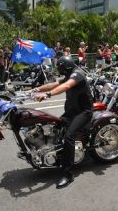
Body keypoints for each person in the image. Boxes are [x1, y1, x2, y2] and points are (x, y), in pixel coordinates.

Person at [29, 56, 93, 189]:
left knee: (69, 136)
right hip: (71, 112)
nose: (59, 69)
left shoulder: (78, 74)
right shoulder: (69, 74)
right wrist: (36, 89)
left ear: (66, 67)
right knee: (53, 127)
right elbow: (56, 83)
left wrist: (48, 95)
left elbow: (66, 85)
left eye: (60, 67)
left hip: (83, 112)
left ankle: (68, 174)